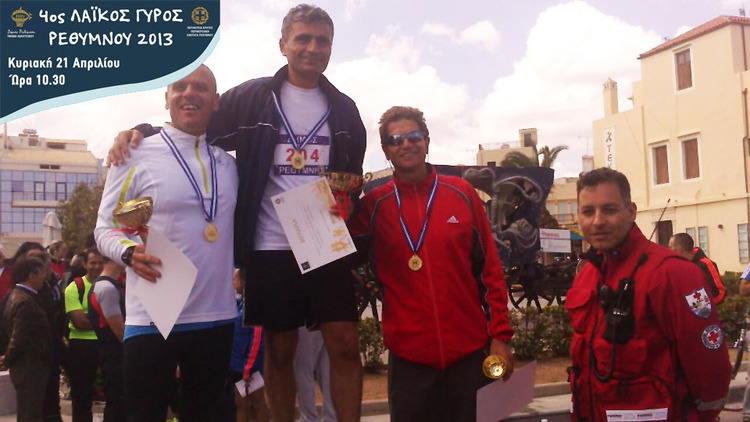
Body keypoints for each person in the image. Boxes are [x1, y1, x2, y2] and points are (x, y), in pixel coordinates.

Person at [107, 5, 366, 421]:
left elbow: (351, 179)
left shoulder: (344, 109)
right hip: (268, 243)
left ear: (331, 48)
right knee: (279, 349)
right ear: (283, 45)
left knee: (345, 342)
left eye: (322, 41)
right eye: (303, 38)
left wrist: (348, 204)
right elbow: (193, 119)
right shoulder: (252, 97)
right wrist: (144, 131)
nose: (312, 48)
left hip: (322, 236)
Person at [348, 106, 514, 422]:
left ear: (426, 140)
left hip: (470, 355)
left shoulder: (462, 193)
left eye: (413, 136)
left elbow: (489, 270)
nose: (406, 144)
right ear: (385, 150)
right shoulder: (374, 206)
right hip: (409, 361)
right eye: (396, 139)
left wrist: (501, 337)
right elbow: (336, 248)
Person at [95, 64, 239, 422]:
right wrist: (128, 252)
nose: (190, 93)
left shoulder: (228, 165)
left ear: (215, 101)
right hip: (152, 317)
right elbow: (106, 228)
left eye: (201, 87)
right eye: (180, 87)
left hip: (216, 317)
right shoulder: (134, 154)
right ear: (167, 98)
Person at [566, 167, 731, 421]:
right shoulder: (586, 276)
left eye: (609, 210)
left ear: (631, 211)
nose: (597, 221)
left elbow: (709, 369)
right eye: (588, 211)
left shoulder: (673, 274)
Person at [1, 256, 53, 421]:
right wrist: (8, 359)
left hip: (28, 365)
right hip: (29, 365)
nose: (44, 277)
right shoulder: (24, 301)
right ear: (31, 275)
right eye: (42, 273)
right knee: (30, 413)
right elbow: (19, 337)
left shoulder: (17, 295)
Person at [64, 247, 103, 422]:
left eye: (100, 263)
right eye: (93, 263)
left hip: (107, 345)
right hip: (82, 345)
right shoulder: (74, 288)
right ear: (85, 264)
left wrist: (92, 319)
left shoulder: (113, 285)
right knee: (82, 395)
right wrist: (107, 320)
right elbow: (80, 322)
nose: (97, 266)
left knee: (115, 392)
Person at [227, 268, 269, 422]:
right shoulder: (240, 305)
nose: (233, 283)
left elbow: (257, 339)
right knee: (241, 402)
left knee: (256, 402)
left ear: (243, 281)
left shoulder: (252, 308)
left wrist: (249, 367)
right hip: (238, 365)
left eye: (234, 279)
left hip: (249, 366)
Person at [88, 257, 126, 422]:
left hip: (114, 352)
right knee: (118, 402)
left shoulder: (109, 285)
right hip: (114, 353)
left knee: (120, 401)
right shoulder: (106, 288)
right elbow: (119, 331)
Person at [668, 232, 725, 304]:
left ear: (679, 249)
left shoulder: (706, 264)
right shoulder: (677, 266)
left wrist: (700, 305)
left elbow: (719, 294)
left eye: (670, 247)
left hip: (705, 309)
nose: (668, 250)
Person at [295, 327, 335, 422]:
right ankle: (332, 417)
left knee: (303, 368)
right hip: (329, 320)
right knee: (327, 367)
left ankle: (309, 418)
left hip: (304, 321)